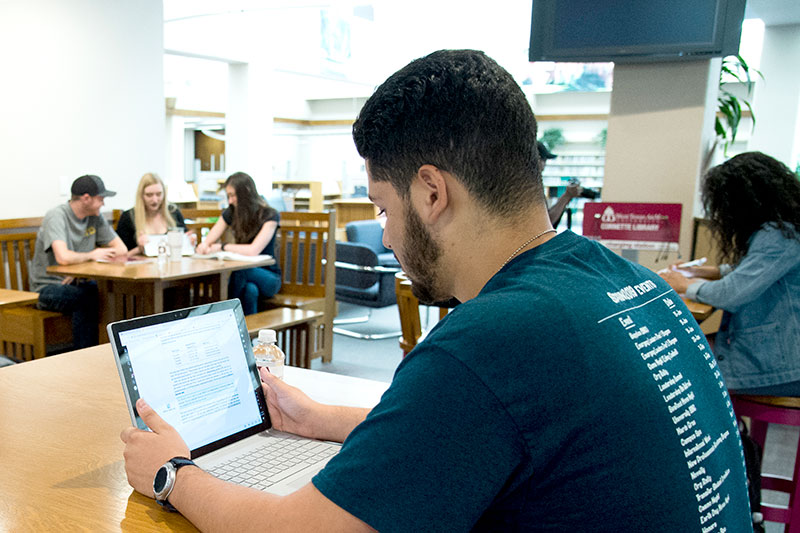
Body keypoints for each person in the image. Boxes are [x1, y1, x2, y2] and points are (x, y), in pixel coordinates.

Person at [120, 50, 750, 531]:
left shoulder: (491, 340)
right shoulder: (623, 281)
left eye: (385, 209)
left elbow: (300, 529)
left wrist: (173, 473)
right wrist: (320, 419)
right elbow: (482, 426)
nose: (389, 237)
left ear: (431, 192)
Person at [660, 151, 800, 396]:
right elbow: (757, 271)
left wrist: (684, 284)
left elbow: (732, 294)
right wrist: (710, 271)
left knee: (676, 360)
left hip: (785, 368)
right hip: (788, 358)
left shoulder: (778, 236)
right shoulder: (787, 230)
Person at [30, 174, 127, 349]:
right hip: (48, 287)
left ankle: (111, 351)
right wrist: (93, 254)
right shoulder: (57, 216)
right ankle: (86, 353)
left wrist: (78, 271)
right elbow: (63, 257)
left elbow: (121, 250)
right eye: (101, 199)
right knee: (87, 297)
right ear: (86, 198)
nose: (103, 203)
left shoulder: (95, 217)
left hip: (77, 282)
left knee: (108, 292)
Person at [195, 172, 281, 315]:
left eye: (233, 195)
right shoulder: (232, 212)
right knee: (250, 291)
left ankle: (222, 312)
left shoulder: (270, 215)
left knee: (240, 269)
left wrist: (222, 247)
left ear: (246, 192)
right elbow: (209, 240)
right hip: (248, 278)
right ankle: (246, 335)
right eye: (228, 196)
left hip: (268, 276)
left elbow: (253, 250)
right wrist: (204, 246)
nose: (230, 201)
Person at [115, 172, 190, 258]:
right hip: (140, 269)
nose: (155, 200)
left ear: (164, 194)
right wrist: (139, 249)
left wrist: (189, 242)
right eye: (149, 195)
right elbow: (120, 257)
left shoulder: (173, 212)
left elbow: (184, 245)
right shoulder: (128, 217)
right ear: (141, 195)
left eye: (159, 194)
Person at [539, 141, 583, 227]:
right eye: (544, 160)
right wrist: (567, 196)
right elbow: (546, 224)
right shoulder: (530, 189)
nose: (544, 166)